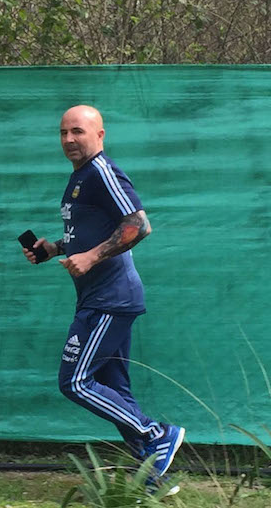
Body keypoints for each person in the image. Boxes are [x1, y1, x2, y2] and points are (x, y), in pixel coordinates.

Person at [21, 105, 184, 480]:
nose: (68, 140)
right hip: (102, 297)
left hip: (111, 298)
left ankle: (157, 435)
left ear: (100, 135)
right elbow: (91, 232)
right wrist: (55, 249)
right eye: (63, 132)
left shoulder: (103, 172)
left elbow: (139, 226)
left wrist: (92, 258)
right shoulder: (80, 177)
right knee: (113, 387)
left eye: (77, 131)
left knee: (75, 381)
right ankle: (153, 473)